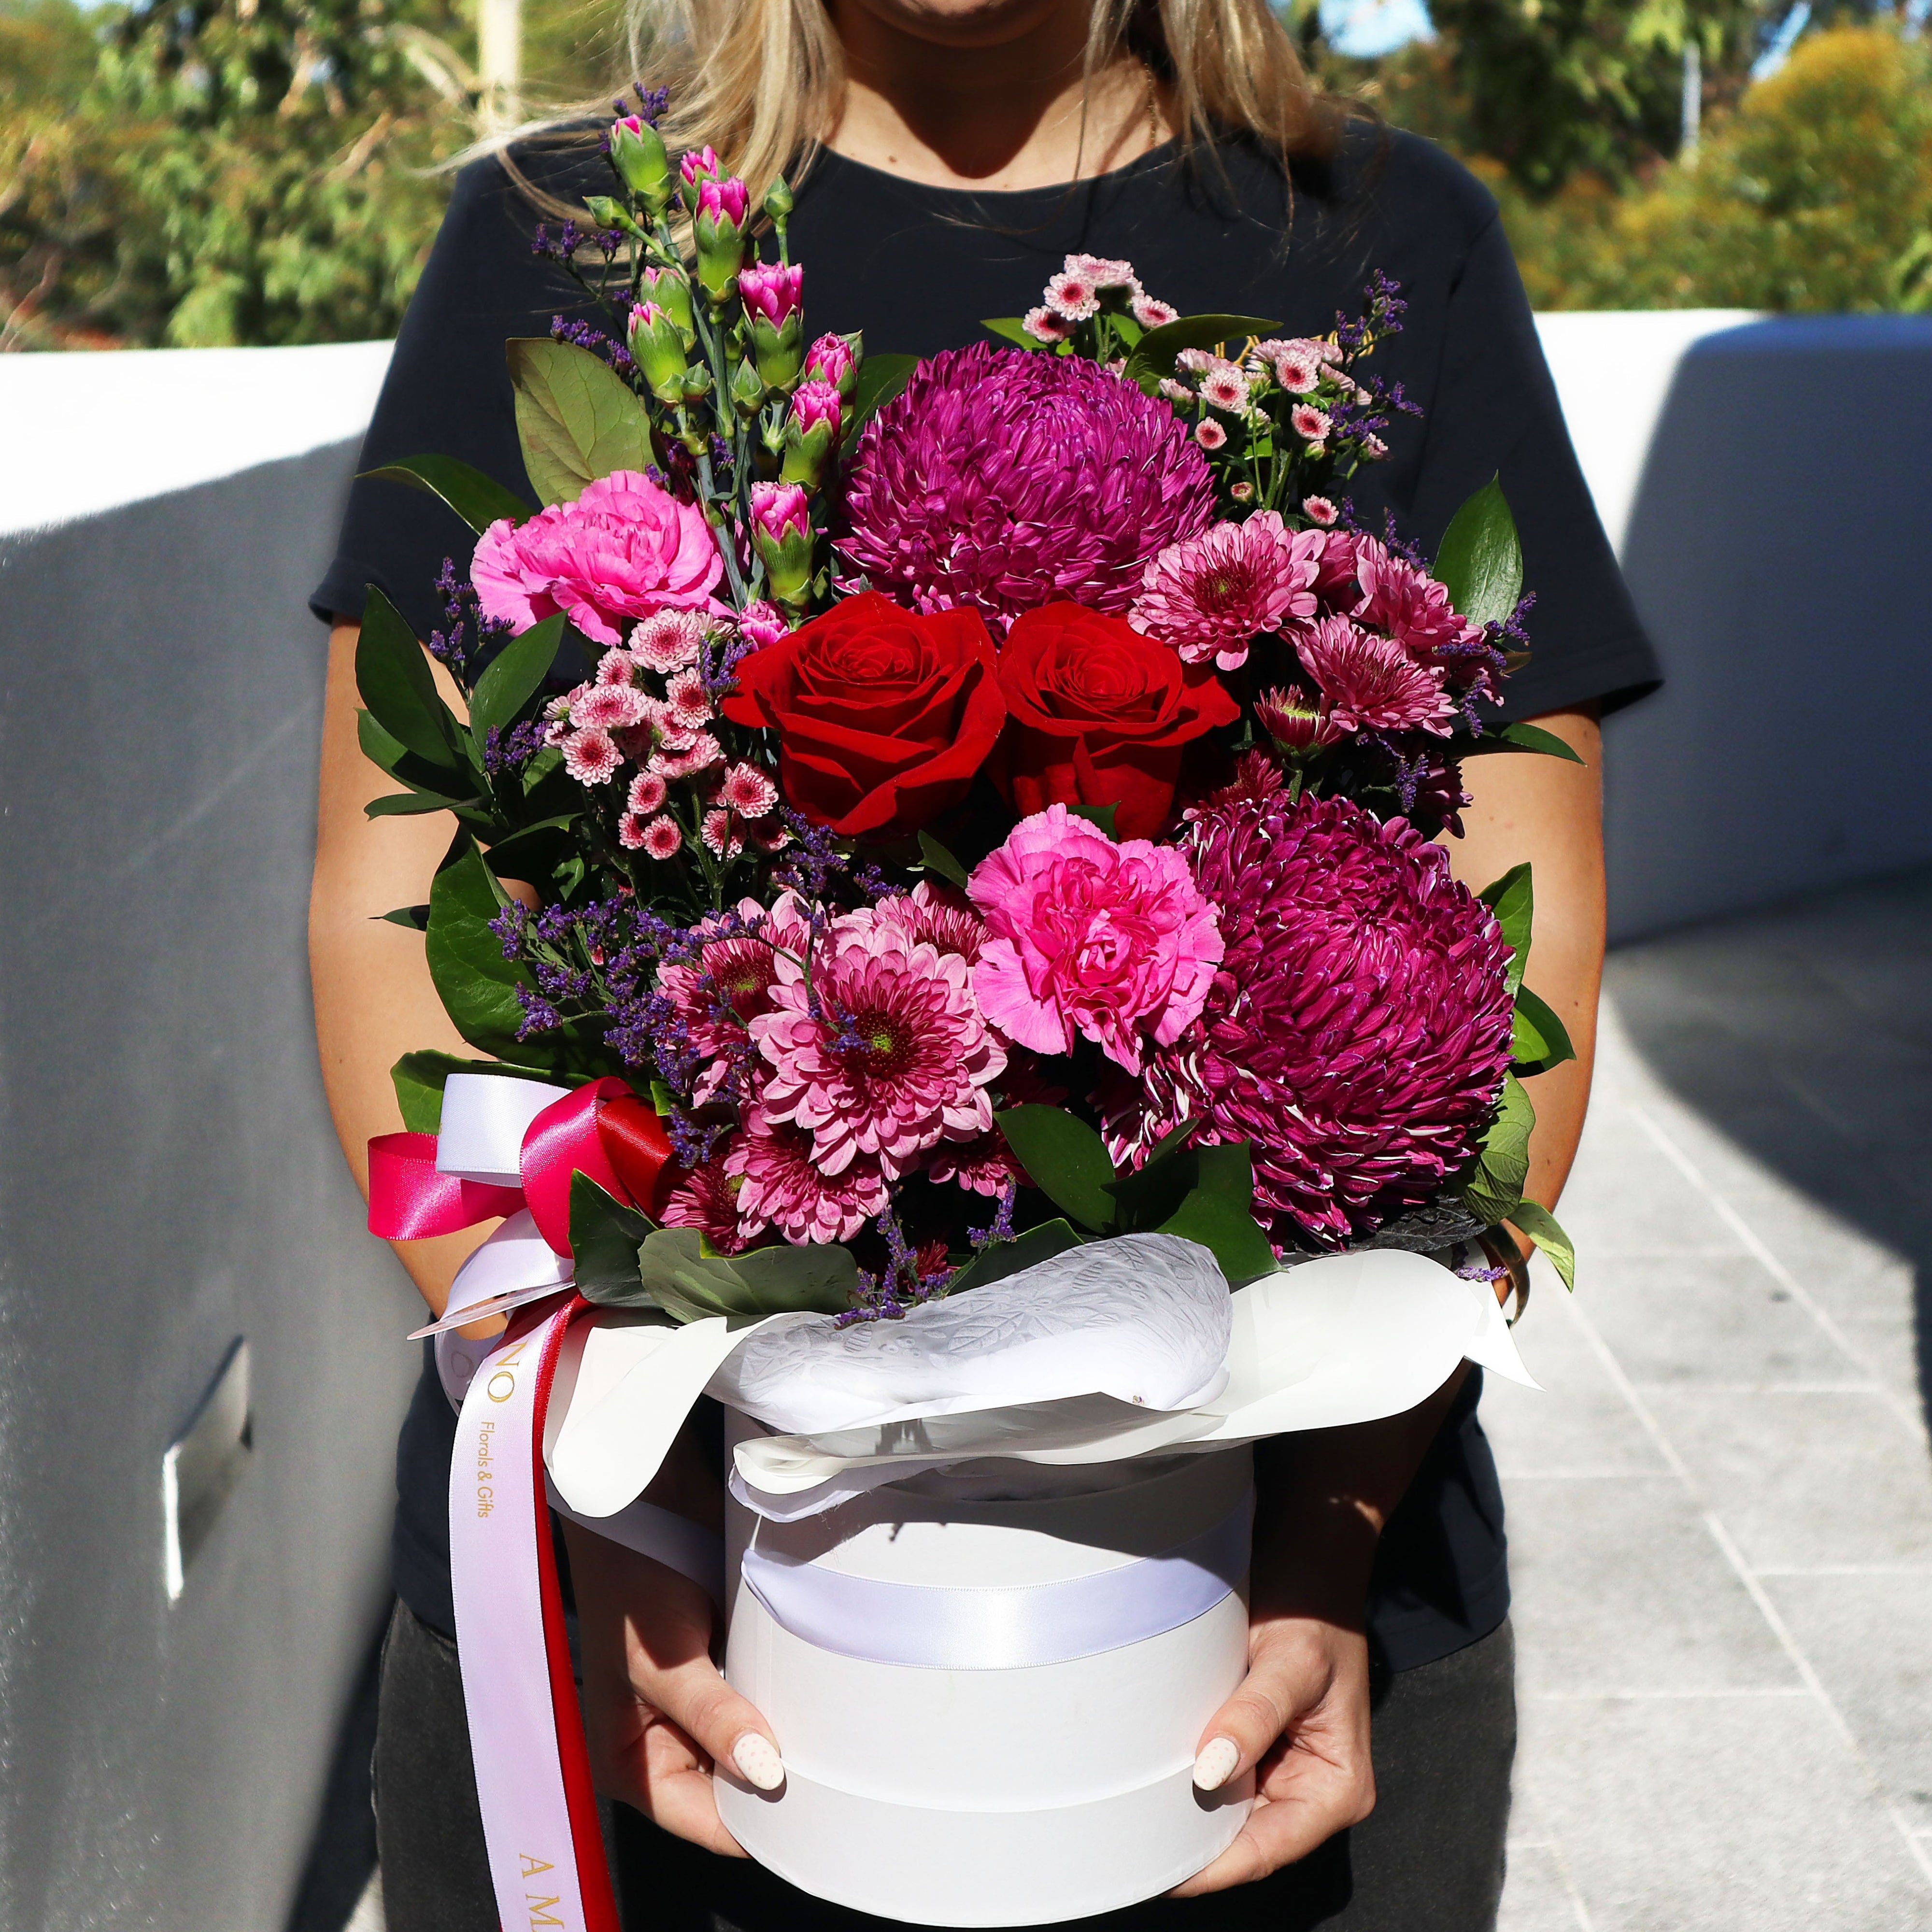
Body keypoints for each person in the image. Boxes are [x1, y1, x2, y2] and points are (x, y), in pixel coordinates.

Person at [308, 0, 1661, 1922]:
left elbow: (1519, 945)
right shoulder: (571, 239)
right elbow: (388, 916)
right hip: (628, 1649)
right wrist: (611, 1502)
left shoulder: (1375, 239)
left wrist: (1328, 1539)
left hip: (1265, 1649)